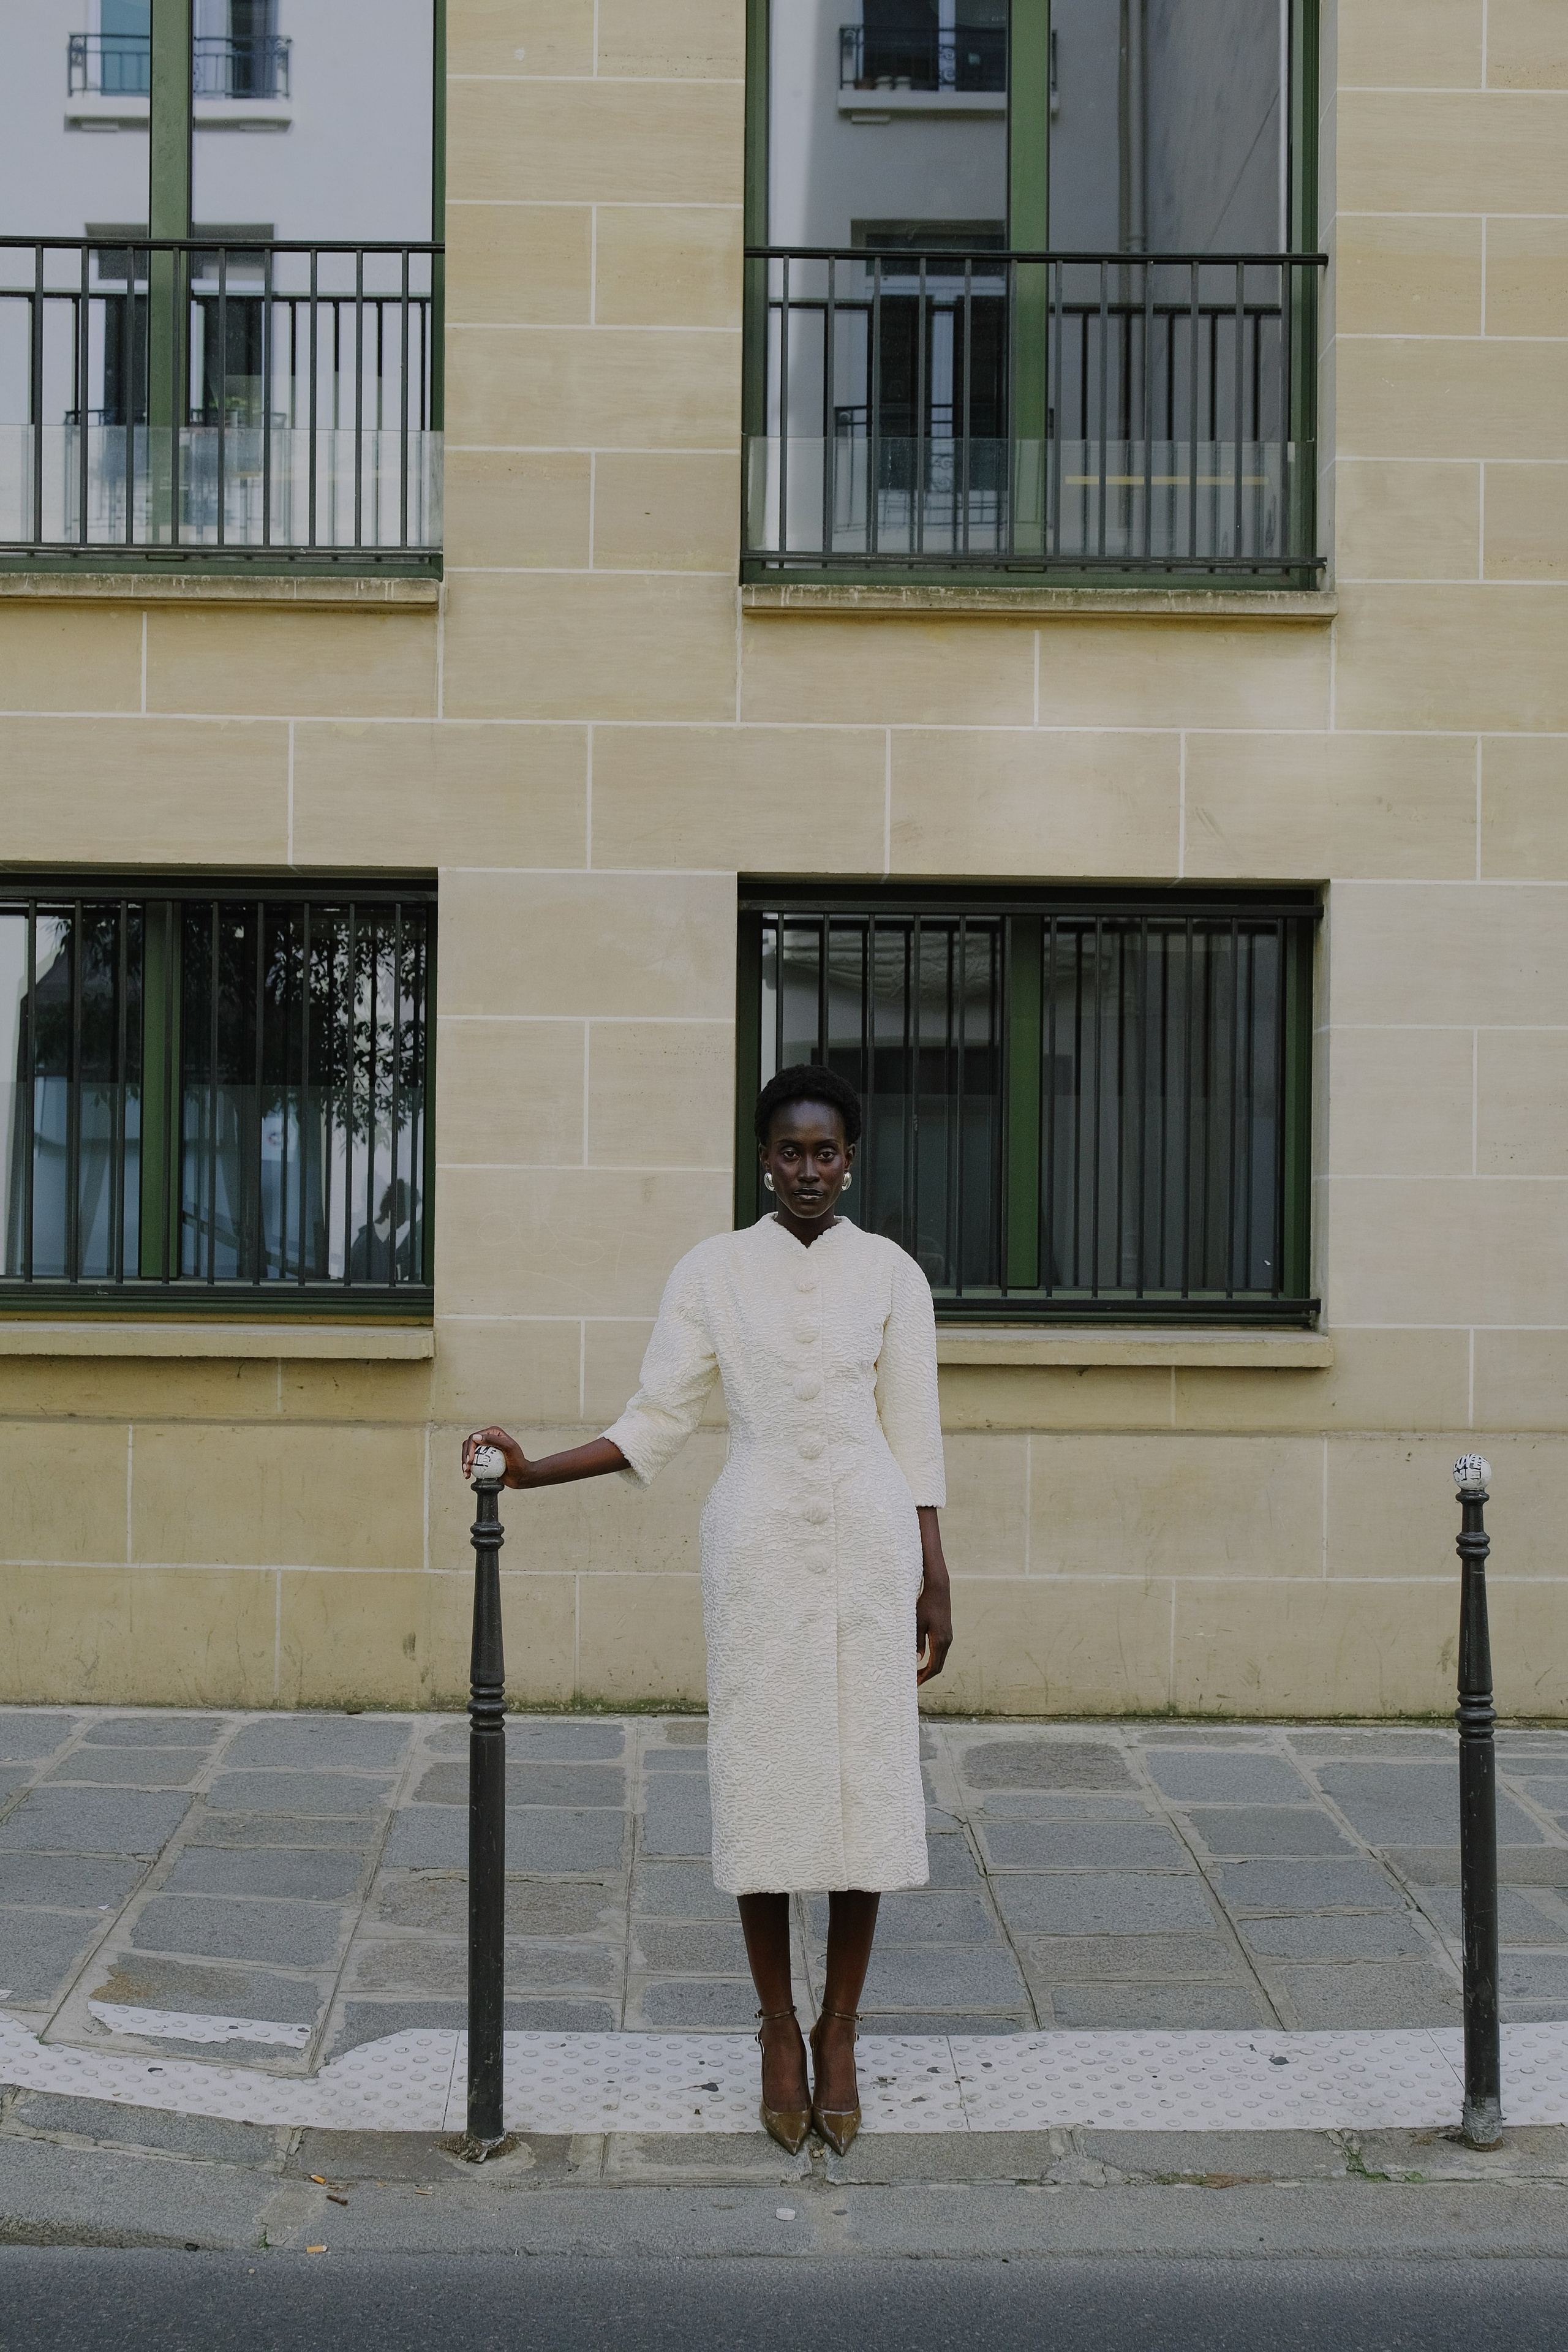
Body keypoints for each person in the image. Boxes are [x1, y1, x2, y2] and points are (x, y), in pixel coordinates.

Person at [462, 1063, 954, 2154]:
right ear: (762, 1158)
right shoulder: (715, 1272)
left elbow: (915, 1435)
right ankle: (778, 2027)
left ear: (852, 1159)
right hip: (759, 1549)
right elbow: (655, 1418)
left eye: (827, 1152)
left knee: (866, 1788)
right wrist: (532, 1471)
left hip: (873, 1546)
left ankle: (841, 2029)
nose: (809, 1171)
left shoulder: (892, 1275)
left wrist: (935, 1572)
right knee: (769, 1785)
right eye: (790, 1151)